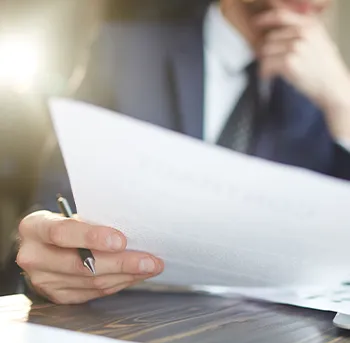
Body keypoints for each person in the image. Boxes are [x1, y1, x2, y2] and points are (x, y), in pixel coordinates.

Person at [15, 0, 350, 304]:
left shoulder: (329, 96)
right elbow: (54, 202)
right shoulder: (124, 51)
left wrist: (343, 105)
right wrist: (47, 256)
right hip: (125, 316)